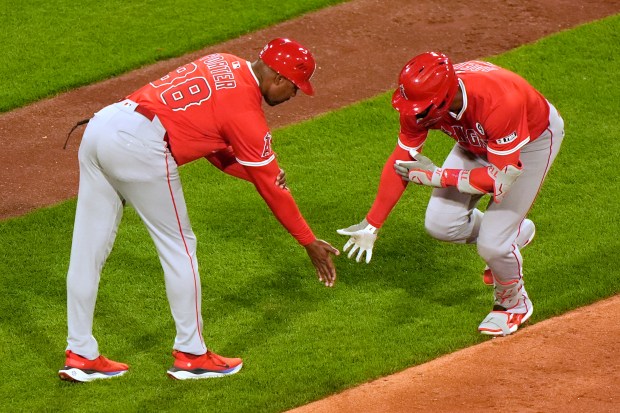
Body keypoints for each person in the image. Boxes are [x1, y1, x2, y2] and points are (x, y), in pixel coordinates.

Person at [59, 38, 340, 382]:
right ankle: (192, 354)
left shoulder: (223, 60)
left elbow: (215, 148)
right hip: (141, 146)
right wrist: (307, 240)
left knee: (87, 249)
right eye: (295, 90)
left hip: (103, 126)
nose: (293, 98)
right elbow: (271, 187)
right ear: (279, 79)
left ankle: (80, 354)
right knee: (180, 248)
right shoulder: (246, 112)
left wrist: (259, 174)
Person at [337, 52, 564, 337]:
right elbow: (401, 161)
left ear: (445, 98)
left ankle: (514, 304)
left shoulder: (500, 101)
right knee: (441, 225)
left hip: (529, 144)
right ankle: (512, 235)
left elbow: (500, 180)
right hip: (476, 141)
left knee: (493, 246)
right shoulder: (423, 101)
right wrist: (373, 223)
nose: (413, 113)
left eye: (420, 108)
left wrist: (438, 177)